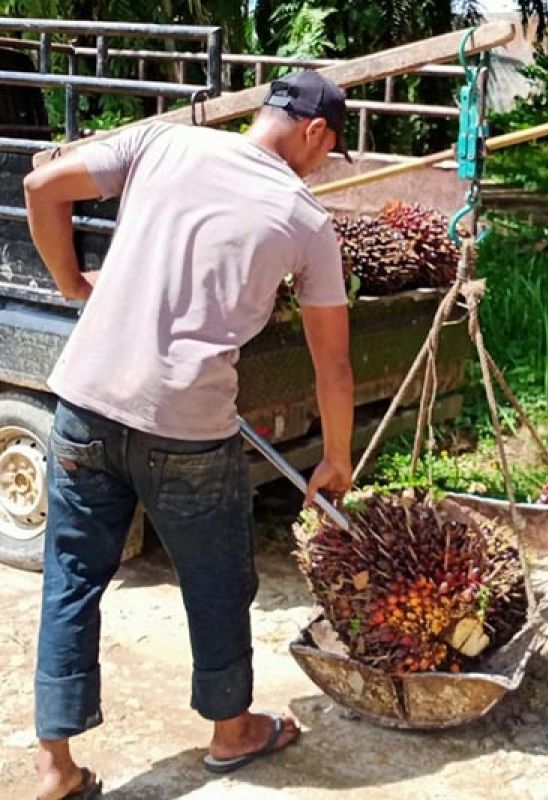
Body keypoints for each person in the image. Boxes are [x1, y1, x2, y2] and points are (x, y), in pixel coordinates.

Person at [24, 70, 356, 800]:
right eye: (329, 152)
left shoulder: (161, 142)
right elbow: (332, 360)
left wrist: (72, 282)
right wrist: (334, 457)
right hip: (187, 428)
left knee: (73, 578)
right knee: (215, 579)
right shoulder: (306, 220)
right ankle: (231, 729)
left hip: (85, 400)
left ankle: (54, 763)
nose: (323, 165)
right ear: (314, 132)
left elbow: (39, 186)